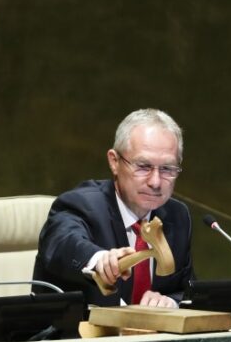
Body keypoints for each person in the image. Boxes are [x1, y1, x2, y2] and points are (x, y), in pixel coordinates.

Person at [33, 108, 195, 307]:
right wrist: (99, 259)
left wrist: (170, 302)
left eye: (167, 169)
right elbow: (62, 242)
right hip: (80, 334)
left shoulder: (177, 216)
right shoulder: (82, 204)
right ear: (115, 162)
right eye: (143, 166)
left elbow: (186, 290)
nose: (155, 181)